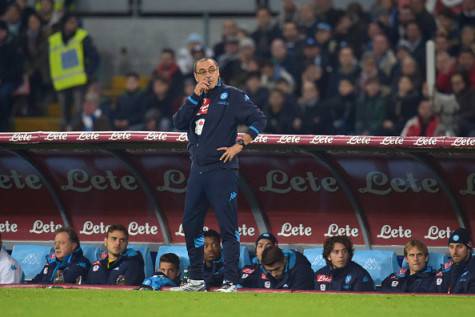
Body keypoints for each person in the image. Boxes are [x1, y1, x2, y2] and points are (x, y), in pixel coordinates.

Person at [171, 57, 266, 292]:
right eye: (202, 72)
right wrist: (193, 97)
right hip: (198, 170)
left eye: (211, 70)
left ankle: (231, 280)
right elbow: (178, 123)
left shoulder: (232, 95)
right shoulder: (195, 99)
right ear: (195, 77)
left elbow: (259, 119)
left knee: (227, 227)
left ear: (218, 71)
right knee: (191, 224)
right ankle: (196, 278)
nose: (207, 75)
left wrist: (240, 145)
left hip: (222, 170)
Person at [48, 13, 99, 130]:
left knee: (77, 111)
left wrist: (88, 74)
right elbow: (49, 61)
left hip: (78, 82)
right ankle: (62, 140)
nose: (73, 25)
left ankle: (74, 136)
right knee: (63, 115)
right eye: (70, 22)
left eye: (75, 22)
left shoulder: (82, 37)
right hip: (61, 82)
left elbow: (95, 58)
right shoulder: (54, 40)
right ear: (64, 23)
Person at [244, 246, 314, 290]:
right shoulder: (262, 268)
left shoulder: (303, 271)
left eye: (277, 269)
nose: (274, 274)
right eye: (270, 271)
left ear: (284, 260)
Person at [435, 228, 475, 294]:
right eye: (451, 247)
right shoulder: (444, 270)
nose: (454, 252)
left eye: (459, 247)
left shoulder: (473, 269)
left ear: (469, 247)